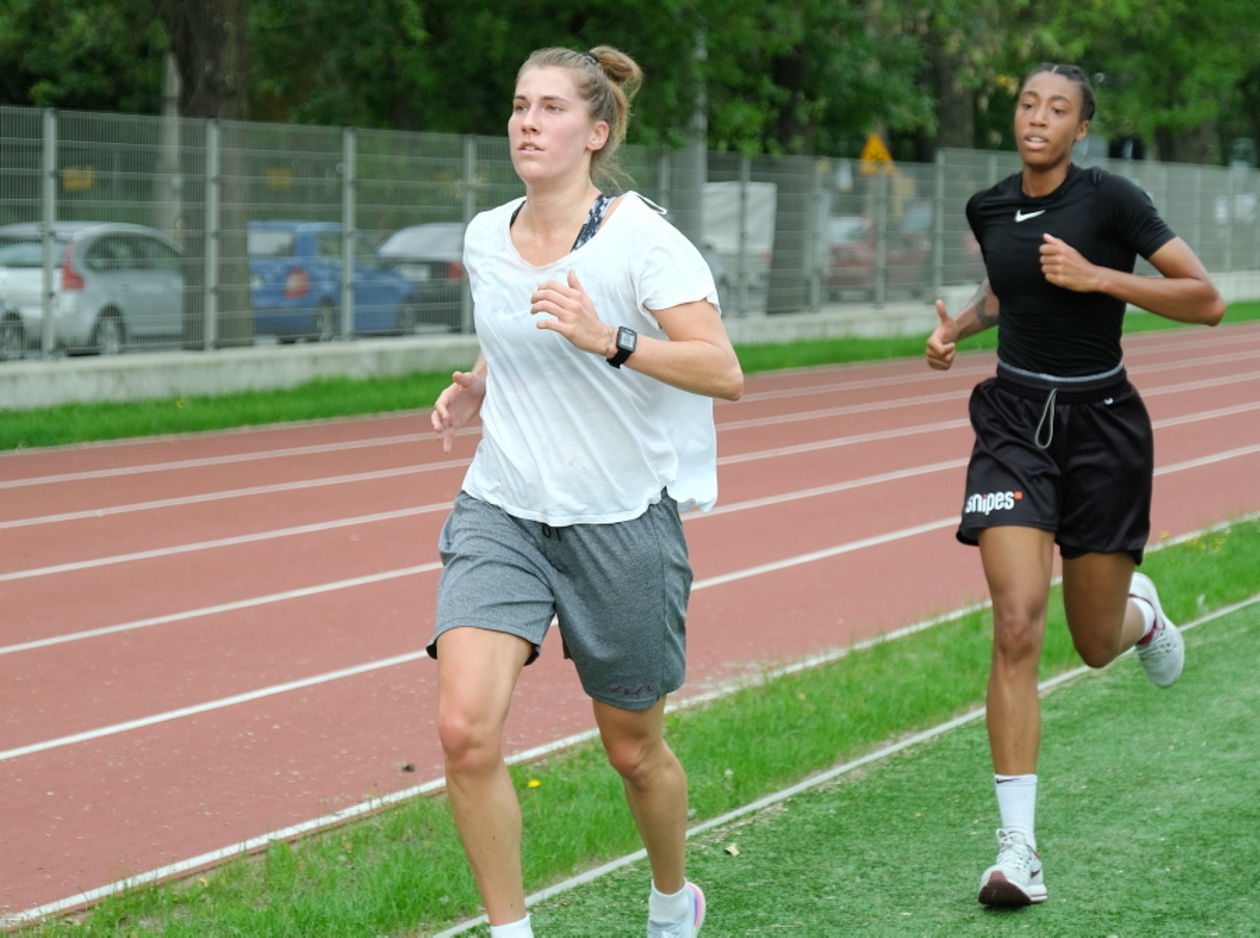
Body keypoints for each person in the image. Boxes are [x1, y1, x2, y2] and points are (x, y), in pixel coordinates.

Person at [427, 45, 742, 938]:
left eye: (552, 108)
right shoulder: (487, 235)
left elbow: (723, 371)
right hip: (504, 508)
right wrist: (484, 381)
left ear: (596, 132)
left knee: (633, 751)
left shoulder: (645, 241)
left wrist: (611, 339)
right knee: (464, 732)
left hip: (619, 523)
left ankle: (674, 900)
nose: (529, 122)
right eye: (520, 104)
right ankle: (510, 931)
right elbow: (518, 324)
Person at [925, 63, 1225, 908]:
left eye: (1058, 109)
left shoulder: (1113, 202)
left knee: (1093, 642)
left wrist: (1101, 279)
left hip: (1104, 429)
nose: (1038, 118)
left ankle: (1144, 613)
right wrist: (959, 328)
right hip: (1014, 423)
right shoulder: (987, 206)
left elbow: (1206, 301)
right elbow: (1006, 286)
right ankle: (1016, 851)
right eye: (1027, 103)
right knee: (1017, 622)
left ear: (1080, 128)